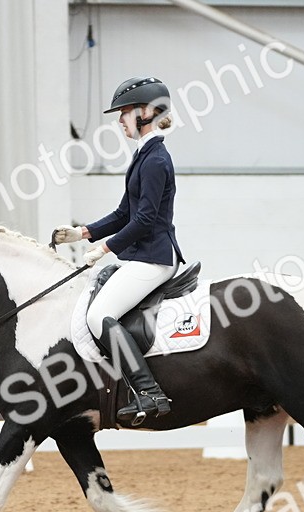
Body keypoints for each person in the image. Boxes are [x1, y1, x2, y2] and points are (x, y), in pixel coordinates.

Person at [52, 76, 185, 425]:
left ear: (144, 113)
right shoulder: (144, 156)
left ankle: (148, 391)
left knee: (98, 316)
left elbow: (143, 221)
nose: (120, 121)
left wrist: (105, 248)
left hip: (155, 258)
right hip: (141, 255)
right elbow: (124, 213)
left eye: (124, 113)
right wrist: (83, 233)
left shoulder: (156, 160)